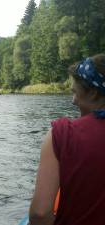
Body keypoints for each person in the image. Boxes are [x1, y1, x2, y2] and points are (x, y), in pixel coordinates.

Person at [29, 54, 105, 225]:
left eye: (75, 93)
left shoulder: (62, 134)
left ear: (93, 93)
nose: (73, 101)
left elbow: (40, 214)